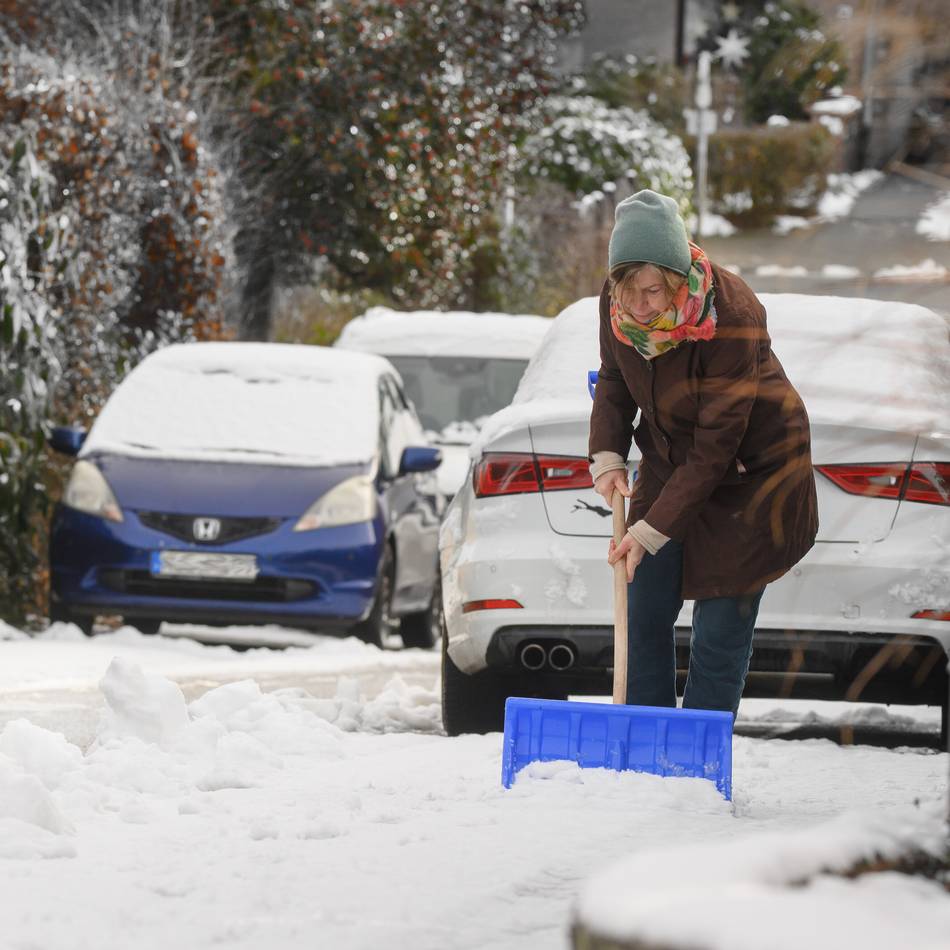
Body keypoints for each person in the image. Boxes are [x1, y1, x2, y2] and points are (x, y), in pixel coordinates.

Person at [588, 189, 818, 716]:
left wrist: (647, 533)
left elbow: (717, 447)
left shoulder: (731, 315)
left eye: (653, 291)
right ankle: (646, 748)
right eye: (629, 291)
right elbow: (615, 380)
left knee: (719, 630)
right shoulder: (616, 304)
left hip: (751, 479)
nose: (640, 306)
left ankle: (696, 758)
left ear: (677, 278)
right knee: (641, 606)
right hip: (673, 466)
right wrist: (607, 454)